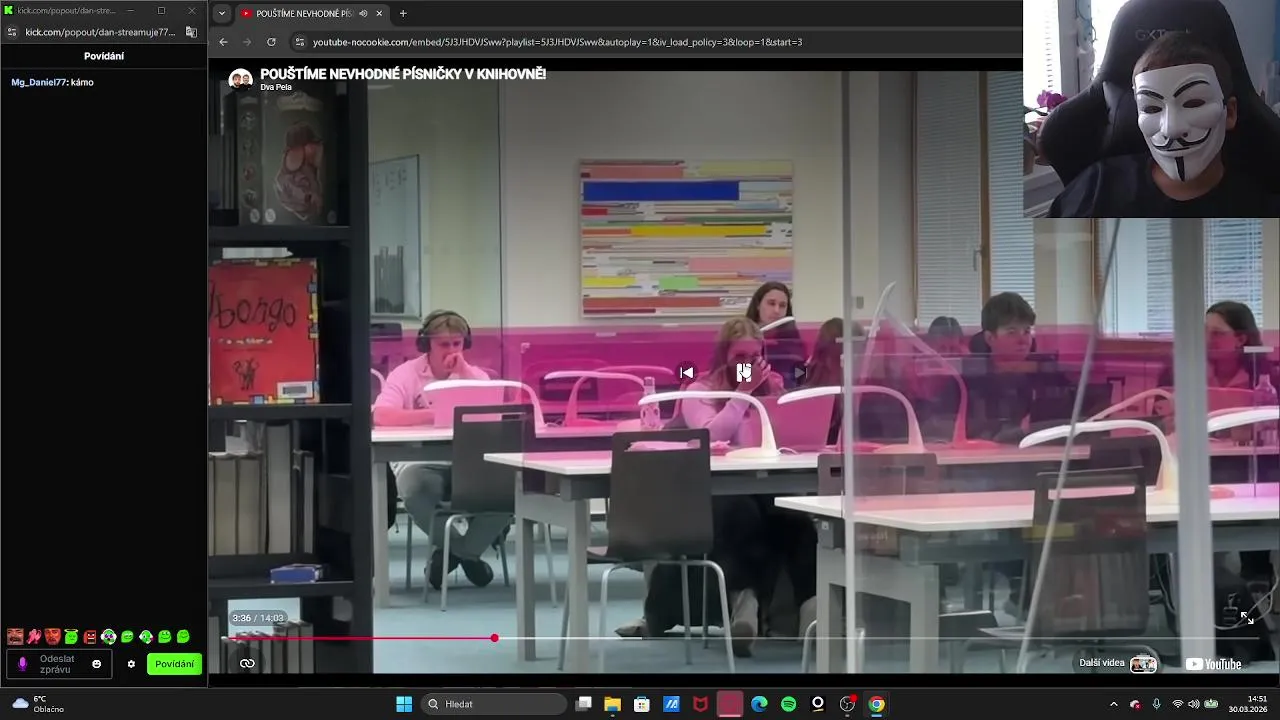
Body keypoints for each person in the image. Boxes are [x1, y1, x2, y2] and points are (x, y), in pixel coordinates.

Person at [1050, 32, 1280, 218]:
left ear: (1229, 113)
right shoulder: (1095, 189)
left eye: (1194, 103)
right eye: (1151, 109)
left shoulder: (1261, 211)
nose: (1171, 129)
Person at [372, 310, 509, 590]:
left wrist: (465, 373)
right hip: (417, 460)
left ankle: (456, 554)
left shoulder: (476, 376)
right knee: (415, 489)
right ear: (427, 344)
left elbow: (493, 415)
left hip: (469, 460)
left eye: (457, 344)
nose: (452, 351)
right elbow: (382, 415)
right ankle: (467, 554)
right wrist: (435, 415)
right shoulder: (405, 374)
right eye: (444, 344)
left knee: (507, 490)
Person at [1155, 301, 1274, 587]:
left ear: (1241, 339)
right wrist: (1169, 417)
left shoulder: (1263, 375)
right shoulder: (1180, 370)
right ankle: (1190, 582)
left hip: (1247, 462)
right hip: (1193, 459)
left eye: (1217, 333)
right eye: (1204, 331)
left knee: (1253, 485)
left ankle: (1254, 580)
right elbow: (1158, 415)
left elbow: (1271, 423)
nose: (1207, 339)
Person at [746, 282, 807, 388]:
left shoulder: (793, 342)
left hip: (788, 396)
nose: (776, 310)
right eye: (771, 303)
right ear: (758, 305)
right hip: (751, 397)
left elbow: (800, 379)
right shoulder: (743, 340)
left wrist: (809, 371)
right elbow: (741, 382)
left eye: (782, 305)